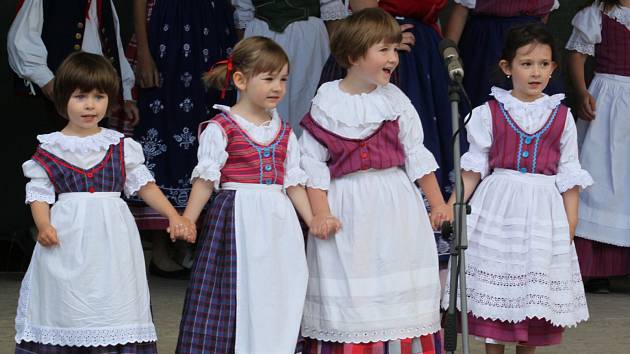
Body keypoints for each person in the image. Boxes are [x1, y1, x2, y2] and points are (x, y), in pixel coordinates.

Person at [15, 52, 195, 353]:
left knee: (115, 292)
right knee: (67, 296)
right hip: (68, 238)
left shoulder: (120, 146)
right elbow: (39, 193)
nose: (90, 105)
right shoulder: (51, 148)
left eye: (99, 97)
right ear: (62, 101)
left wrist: (173, 216)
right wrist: (43, 224)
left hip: (113, 239)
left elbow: (145, 185)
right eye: (80, 96)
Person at [299, 8, 447, 353]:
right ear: (353, 56)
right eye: (383, 50)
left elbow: (416, 154)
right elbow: (313, 165)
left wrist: (438, 204)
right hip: (346, 205)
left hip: (395, 201)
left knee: (397, 274)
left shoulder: (395, 100)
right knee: (353, 282)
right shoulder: (327, 102)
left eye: (394, 50)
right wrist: (320, 213)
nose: (393, 58)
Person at [442, 23, 592, 353]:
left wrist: (570, 224)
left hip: (543, 212)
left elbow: (569, 173)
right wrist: (450, 207)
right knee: (498, 291)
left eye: (543, 64)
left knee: (532, 294)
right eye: (526, 64)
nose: (535, 72)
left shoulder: (561, 116)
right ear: (507, 68)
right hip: (499, 211)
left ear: (553, 68)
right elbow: (473, 169)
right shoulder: (488, 113)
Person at [176, 36, 314, 353]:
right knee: (233, 289)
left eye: (282, 79)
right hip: (236, 218)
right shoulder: (221, 127)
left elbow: (293, 181)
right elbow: (206, 179)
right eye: (268, 79)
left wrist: (313, 219)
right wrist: (188, 219)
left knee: (277, 287)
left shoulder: (285, 131)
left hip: (278, 223)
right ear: (240, 79)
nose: (277, 87)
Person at [125, 0, 237, 278]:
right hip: (167, 30)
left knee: (205, 127)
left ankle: (197, 244)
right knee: (161, 126)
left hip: (210, 32)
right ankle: (161, 248)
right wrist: (145, 53)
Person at [566, 0, 630, 294]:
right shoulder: (595, 15)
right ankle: (597, 269)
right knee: (600, 177)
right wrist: (580, 92)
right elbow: (577, 57)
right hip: (607, 99)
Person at [7, 0, 139, 134]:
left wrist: (125, 93)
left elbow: (114, 43)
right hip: (59, 95)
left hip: (98, 93)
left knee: (94, 149)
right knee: (62, 148)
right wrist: (47, 81)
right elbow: (21, 39)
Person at [232, 0, 348, 135]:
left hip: (307, 40)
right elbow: (243, 12)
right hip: (262, 39)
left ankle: (306, 150)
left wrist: (334, 58)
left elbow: (331, 9)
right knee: (262, 98)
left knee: (307, 101)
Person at [443, 0, 563, 111]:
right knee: (484, 104)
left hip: (530, 42)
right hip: (487, 45)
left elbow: (544, 15)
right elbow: (460, 13)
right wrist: (448, 54)